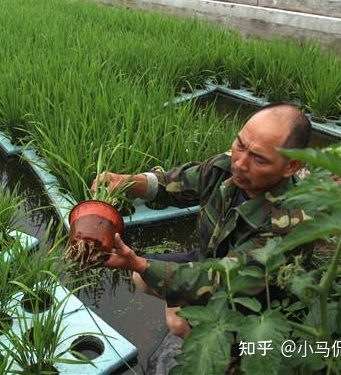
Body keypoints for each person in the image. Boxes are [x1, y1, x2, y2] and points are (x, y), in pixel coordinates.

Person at [91, 103, 313, 339]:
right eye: (240, 145)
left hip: (254, 297)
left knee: (177, 320)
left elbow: (224, 280)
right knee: (142, 278)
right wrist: (125, 182)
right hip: (212, 259)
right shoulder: (226, 166)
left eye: (258, 159)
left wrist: (138, 263)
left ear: (291, 166)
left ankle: (226, 355)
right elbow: (176, 184)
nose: (240, 163)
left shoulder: (289, 221)